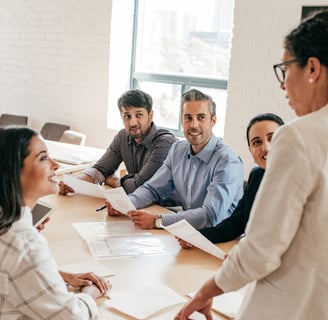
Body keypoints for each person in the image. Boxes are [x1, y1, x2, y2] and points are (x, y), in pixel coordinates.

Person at [176, 10, 328, 320]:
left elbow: (261, 250)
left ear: (312, 68)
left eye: (286, 69)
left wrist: (206, 291)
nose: (283, 86)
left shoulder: (299, 136)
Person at [0, 127, 110, 319]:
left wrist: (62, 276)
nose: (56, 164)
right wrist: (90, 292)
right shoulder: (25, 244)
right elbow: (72, 316)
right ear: (13, 171)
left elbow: (12, 273)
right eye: (43, 158)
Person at [107, 88, 244, 230]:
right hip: (189, 234)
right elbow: (152, 189)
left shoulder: (227, 161)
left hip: (223, 240)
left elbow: (211, 215)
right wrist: (125, 204)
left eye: (201, 117)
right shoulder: (178, 150)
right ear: (182, 121)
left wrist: (158, 221)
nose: (194, 125)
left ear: (213, 121)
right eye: (188, 118)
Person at [179, 113, 284, 248]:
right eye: (257, 142)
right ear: (251, 151)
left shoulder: (304, 180)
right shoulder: (257, 176)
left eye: (273, 138)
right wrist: (198, 237)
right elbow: (236, 222)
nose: (266, 148)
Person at [59, 89, 176, 195]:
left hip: (169, 209)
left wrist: (116, 181)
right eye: (127, 116)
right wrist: (74, 182)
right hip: (139, 205)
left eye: (139, 115)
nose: (132, 123)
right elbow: (100, 169)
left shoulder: (165, 142)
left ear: (150, 115)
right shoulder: (123, 137)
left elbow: (141, 188)